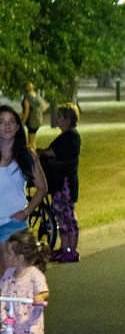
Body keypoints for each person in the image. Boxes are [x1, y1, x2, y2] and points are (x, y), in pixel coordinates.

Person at [1, 228, 51, 334]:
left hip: (28, 321)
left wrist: (39, 297)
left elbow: (44, 291)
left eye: (8, 254)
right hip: (11, 320)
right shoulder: (8, 273)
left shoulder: (34, 275)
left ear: (19, 258)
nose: (4, 256)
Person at [0, 106, 48, 270]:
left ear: (18, 126)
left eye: (11, 122)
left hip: (13, 225)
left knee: (11, 279)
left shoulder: (26, 155)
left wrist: (26, 212)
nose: (7, 126)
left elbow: (42, 188)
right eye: (2, 122)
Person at [38, 104, 82, 263]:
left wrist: (41, 152)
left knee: (68, 215)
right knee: (60, 214)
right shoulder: (64, 136)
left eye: (60, 117)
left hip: (66, 183)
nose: (56, 119)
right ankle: (64, 248)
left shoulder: (72, 137)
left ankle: (72, 250)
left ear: (68, 119)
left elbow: (55, 153)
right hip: (58, 183)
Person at [20, 83, 47, 150]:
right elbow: (44, 108)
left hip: (32, 122)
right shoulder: (37, 96)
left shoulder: (27, 99)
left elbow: (26, 113)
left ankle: (34, 158)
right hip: (38, 120)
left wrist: (21, 123)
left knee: (30, 143)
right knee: (32, 141)